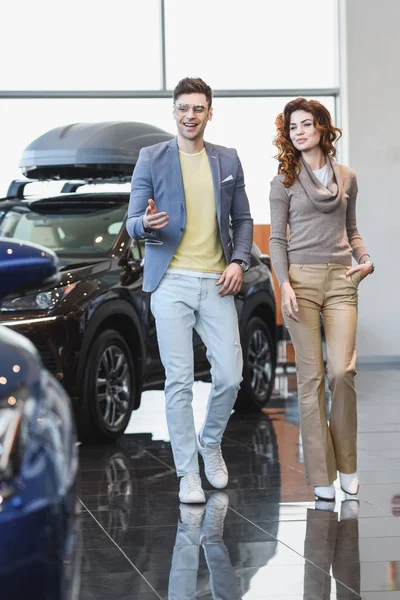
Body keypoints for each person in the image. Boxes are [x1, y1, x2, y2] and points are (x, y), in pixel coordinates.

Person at [127, 77, 253, 503]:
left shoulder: (228, 160)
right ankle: (187, 474)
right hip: (171, 282)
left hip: (218, 281)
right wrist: (145, 224)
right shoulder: (151, 157)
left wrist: (238, 261)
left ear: (209, 112)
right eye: (183, 107)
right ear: (174, 111)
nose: (190, 115)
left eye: (198, 108)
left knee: (231, 376)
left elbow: (244, 221)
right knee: (178, 381)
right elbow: (131, 222)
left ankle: (210, 442)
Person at [269, 98, 374, 501]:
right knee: (311, 379)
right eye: (292, 126)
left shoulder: (347, 177)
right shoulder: (283, 182)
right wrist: (285, 285)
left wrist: (364, 260)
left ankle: (348, 464)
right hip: (300, 282)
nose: (299, 131)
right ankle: (321, 474)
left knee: (341, 373)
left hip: (341, 280)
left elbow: (352, 228)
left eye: (306, 124)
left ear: (322, 128)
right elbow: (277, 240)